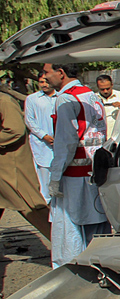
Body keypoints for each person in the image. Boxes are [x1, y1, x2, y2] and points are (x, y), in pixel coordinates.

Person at [42, 63, 111, 268]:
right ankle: (103, 272)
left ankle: (71, 274)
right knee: (97, 228)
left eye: (47, 72)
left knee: (69, 230)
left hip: (73, 175)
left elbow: (65, 142)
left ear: (60, 73)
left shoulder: (66, 99)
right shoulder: (91, 95)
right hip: (95, 171)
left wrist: (55, 177)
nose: (45, 78)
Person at [0, 88, 51, 240]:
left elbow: (15, 130)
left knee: (33, 208)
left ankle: (68, 249)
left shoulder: (4, 101)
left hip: (12, 168)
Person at [24, 71, 57, 203]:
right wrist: (44, 136)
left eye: (47, 81)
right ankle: (47, 206)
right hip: (42, 143)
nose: (44, 84)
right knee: (44, 176)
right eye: (41, 82)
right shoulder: (32, 99)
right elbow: (30, 120)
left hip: (60, 141)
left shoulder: (62, 97)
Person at [96, 74, 120, 139]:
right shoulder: (93, 98)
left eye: (108, 88)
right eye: (102, 89)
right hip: (100, 136)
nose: (105, 91)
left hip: (117, 136)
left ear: (112, 85)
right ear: (97, 87)